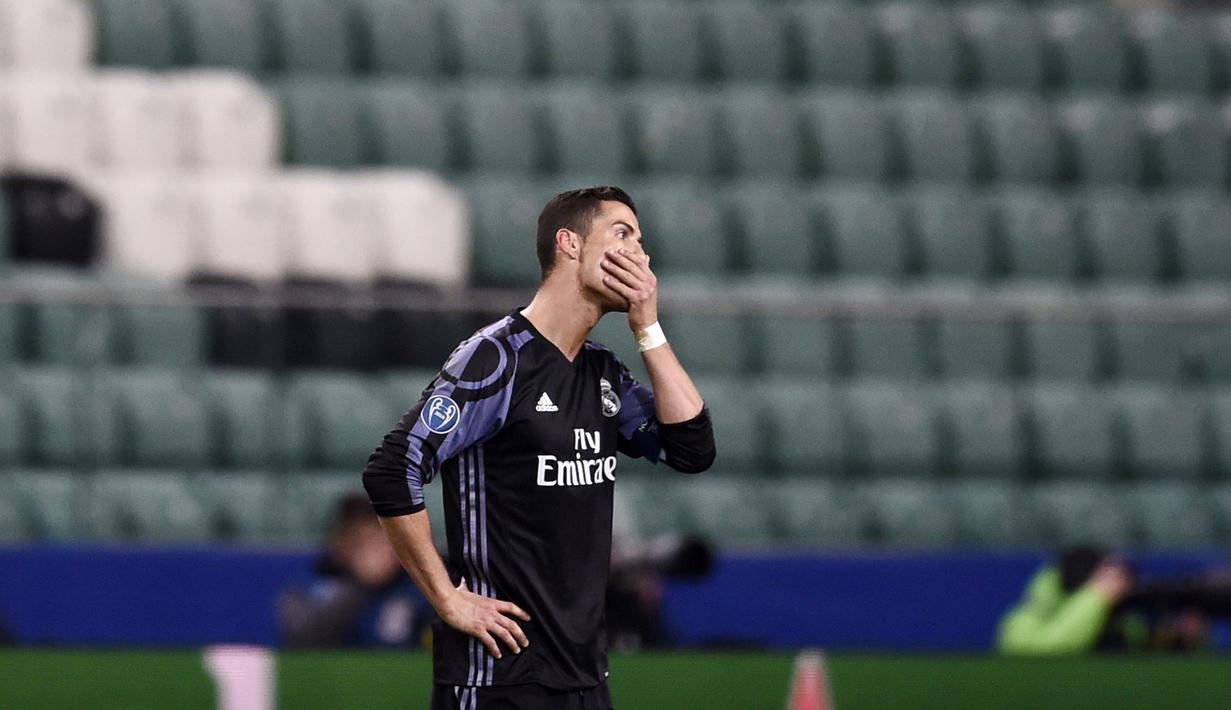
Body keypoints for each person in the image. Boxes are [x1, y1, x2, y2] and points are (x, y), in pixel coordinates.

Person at [363, 186, 715, 709]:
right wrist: (445, 598)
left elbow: (691, 449)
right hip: (499, 676)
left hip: (583, 676)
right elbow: (393, 468)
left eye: (642, 242)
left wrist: (649, 330)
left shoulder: (602, 372)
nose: (641, 255)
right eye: (622, 234)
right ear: (569, 244)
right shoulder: (497, 359)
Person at [279, 494, 434, 648]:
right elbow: (303, 642)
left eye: (386, 539)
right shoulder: (307, 589)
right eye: (366, 541)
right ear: (341, 542)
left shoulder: (417, 591)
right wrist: (358, 584)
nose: (380, 551)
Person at [997, 546, 1210, 655]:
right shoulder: (1021, 623)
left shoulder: (1127, 623)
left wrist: (1180, 640)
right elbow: (1052, 653)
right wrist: (1097, 597)